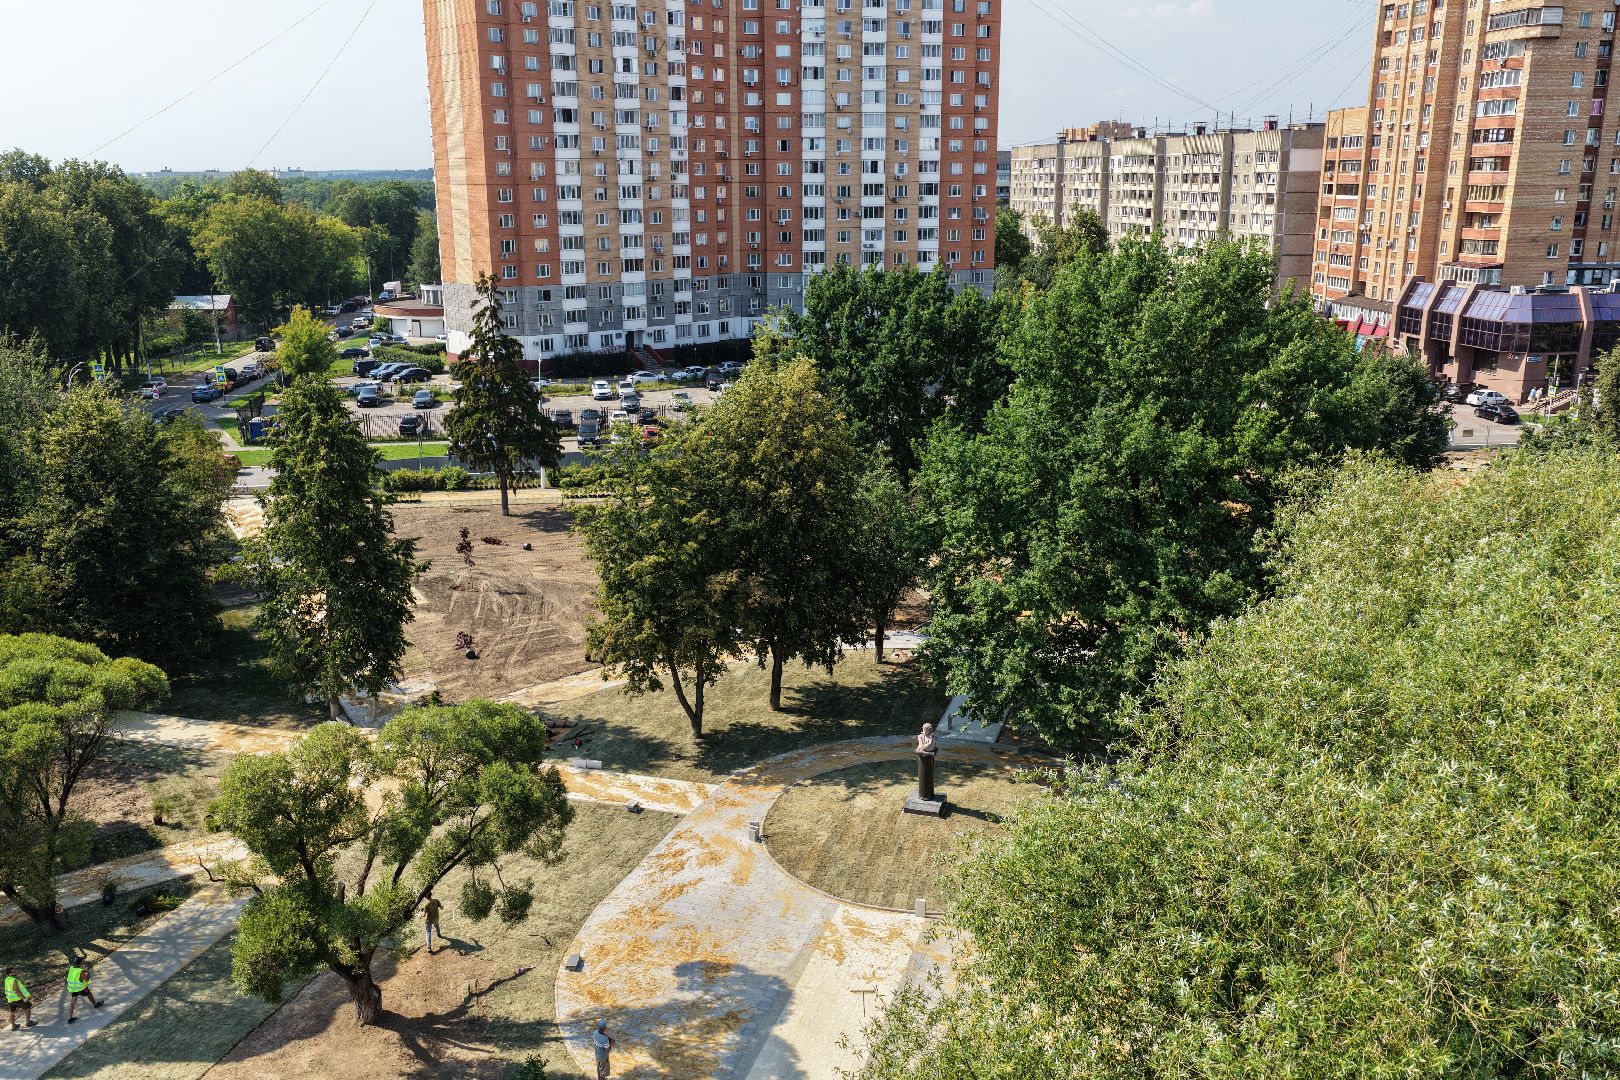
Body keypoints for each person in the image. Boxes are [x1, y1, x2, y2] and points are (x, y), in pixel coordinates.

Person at [65, 957, 101, 1023]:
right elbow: (86, 979)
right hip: (81, 988)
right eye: (81, 961)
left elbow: (76, 972)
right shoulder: (80, 971)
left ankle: (70, 1018)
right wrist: (88, 974)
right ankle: (95, 1004)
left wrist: (84, 971)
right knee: (89, 994)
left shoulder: (71, 968)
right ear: (80, 963)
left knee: (72, 1002)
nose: (82, 962)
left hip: (72, 988)